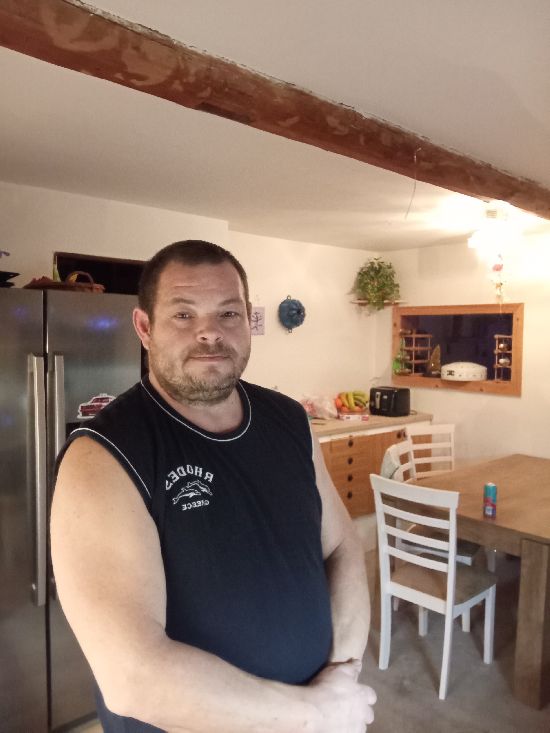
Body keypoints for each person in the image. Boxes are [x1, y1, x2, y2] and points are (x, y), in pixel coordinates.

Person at [51, 240, 376, 733]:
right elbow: (133, 676)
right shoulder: (102, 456)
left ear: (248, 319)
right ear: (144, 328)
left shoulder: (290, 420)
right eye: (183, 314)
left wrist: (342, 676)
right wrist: (317, 714)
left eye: (228, 313)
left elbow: (342, 547)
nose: (210, 332)